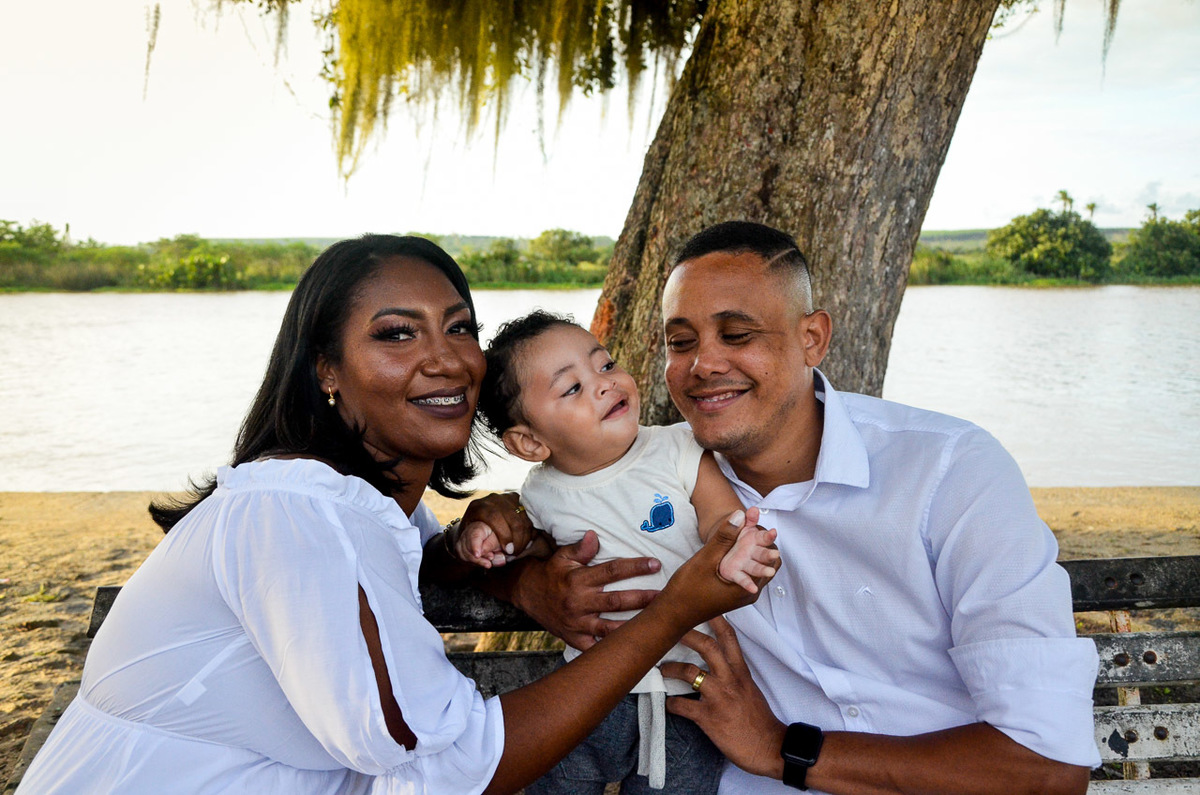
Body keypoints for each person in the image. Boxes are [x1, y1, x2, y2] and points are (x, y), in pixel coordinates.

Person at [16, 234, 769, 795]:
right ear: (327, 371)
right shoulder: (294, 514)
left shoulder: (358, 506)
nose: (446, 358)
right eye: (396, 333)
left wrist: (517, 577)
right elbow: (452, 763)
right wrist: (669, 614)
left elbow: (416, 568)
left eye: (460, 327)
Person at [495, 221, 1101, 794]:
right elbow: (435, 556)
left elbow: (1048, 768)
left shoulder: (949, 472)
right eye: (682, 342)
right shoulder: (657, 477)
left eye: (738, 335)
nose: (704, 364)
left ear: (812, 338)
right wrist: (527, 583)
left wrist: (783, 748)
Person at [450, 310, 780, 793]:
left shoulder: (676, 449)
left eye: (604, 365)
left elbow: (721, 519)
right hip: (590, 694)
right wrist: (489, 536)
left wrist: (739, 547)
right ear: (530, 442)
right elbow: (530, 550)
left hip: (685, 693)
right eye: (572, 388)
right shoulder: (540, 494)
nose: (604, 384)